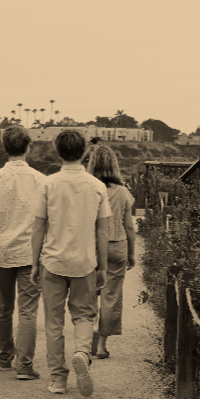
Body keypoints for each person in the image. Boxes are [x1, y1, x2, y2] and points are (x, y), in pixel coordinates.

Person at [31, 130, 111, 397]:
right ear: (85, 152)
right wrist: (103, 267)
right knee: (84, 315)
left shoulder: (48, 184)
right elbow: (102, 231)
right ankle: (82, 352)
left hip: (53, 261)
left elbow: (38, 227)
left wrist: (34, 263)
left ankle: (58, 379)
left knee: (53, 322)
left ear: (58, 151)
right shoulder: (97, 186)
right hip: (84, 262)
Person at [0, 126, 45, 380]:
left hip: (1, 252)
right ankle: (24, 365)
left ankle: (4, 356)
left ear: (6, 148)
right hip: (31, 253)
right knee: (28, 311)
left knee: (4, 307)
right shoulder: (41, 180)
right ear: (28, 148)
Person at [85, 145, 136, 359]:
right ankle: (101, 346)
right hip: (116, 246)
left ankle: (86, 342)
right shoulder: (123, 192)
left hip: (91, 246)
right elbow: (129, 226)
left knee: (88, 295)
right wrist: (132, 254)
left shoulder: (88, 188)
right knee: (111, 296)